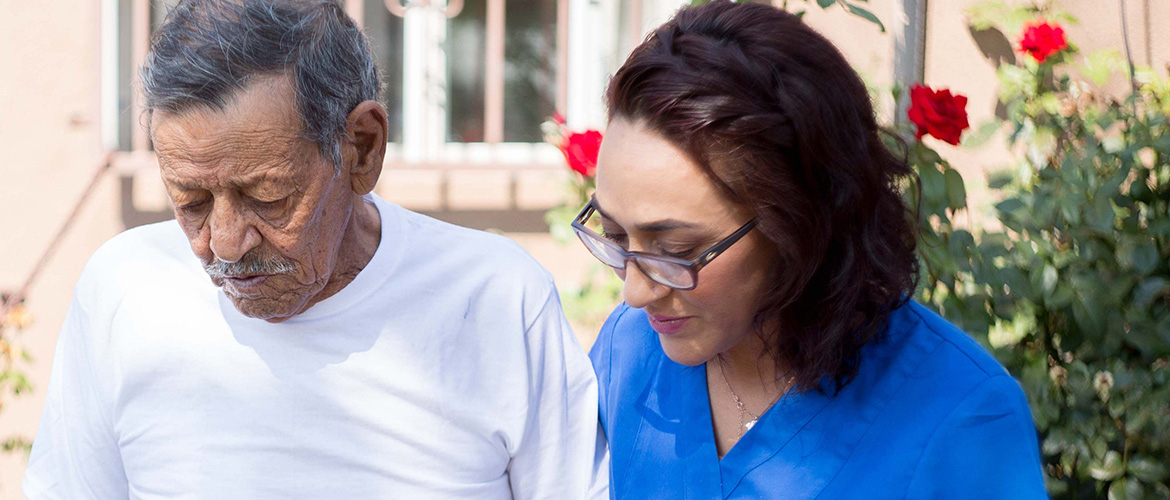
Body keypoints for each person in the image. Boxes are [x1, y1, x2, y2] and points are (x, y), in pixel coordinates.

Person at [23, 1, 605, 498]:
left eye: (267, 196)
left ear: (362, 148)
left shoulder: (496, 299)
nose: (224, 242)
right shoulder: (125, 288)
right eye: (190, 199)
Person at [579, 1, 1046, 498]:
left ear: (800, 222)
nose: (634, 291)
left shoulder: (960, 417)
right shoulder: (631, 351)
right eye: (615, 237)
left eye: (675, 249)